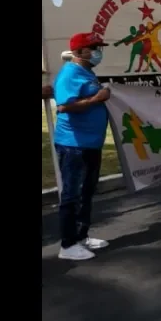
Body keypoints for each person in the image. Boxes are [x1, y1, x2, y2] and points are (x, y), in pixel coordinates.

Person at [53, 32, 112, 261]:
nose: (98, 51)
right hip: (73, 145)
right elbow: (64, 107)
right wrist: (96, 100)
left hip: (90, 143)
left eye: (99, 47)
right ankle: (67, 245)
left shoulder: (88, 72)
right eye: (94, 47)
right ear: (78, 52)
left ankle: (81, 235)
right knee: (72, 194)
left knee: (86, 192)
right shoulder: (70, 73)